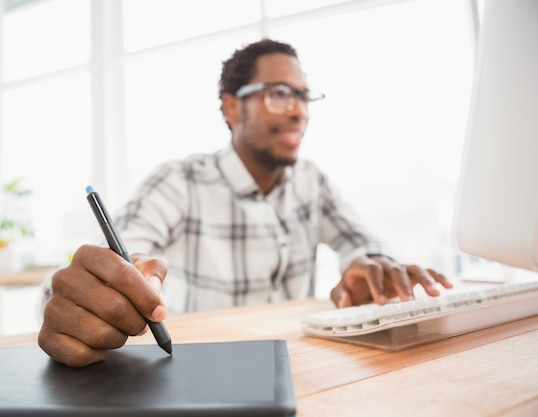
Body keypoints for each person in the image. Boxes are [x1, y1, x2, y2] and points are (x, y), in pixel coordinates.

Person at [38, 38, 453, 367]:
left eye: (305, 98)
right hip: (205, 375)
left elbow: (360, 243)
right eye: (280, 94)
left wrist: (371, 266)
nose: (299, 113)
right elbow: (113, 254)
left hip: (302, 367)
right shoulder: (180, 180)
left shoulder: (313, 182)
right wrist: (93, 289)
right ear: (232, 106)